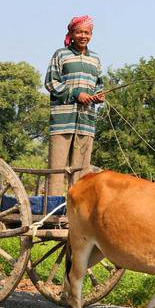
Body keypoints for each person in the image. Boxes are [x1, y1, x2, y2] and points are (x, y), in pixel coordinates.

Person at [44, 15, 104, 196]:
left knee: (81, 172)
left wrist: (98, 96)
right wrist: (76, 94)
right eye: (79, 32)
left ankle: (76, 212)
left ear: (91, 35)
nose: (83, 36)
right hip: (63, 120)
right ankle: (51, 209)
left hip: (86, 121)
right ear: (71, 33)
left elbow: (99, 84)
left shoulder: (96, 59)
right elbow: (51, 83)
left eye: (87, 32)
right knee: (57, 169)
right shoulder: (61, 54)